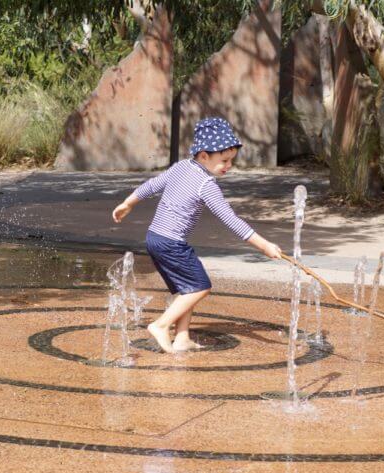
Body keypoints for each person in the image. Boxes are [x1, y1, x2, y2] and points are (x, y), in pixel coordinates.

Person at [111, 117, 282, 353]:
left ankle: (182, 338)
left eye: (231, 160)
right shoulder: (206, 184)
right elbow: (230, 219)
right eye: (224, 160)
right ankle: (161, 325)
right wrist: (264, 246)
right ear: (204, 156)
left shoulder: (181, 167)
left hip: (154, 238)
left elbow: (152, 185)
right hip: (171, 243)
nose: (228, 166)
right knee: (200, 287)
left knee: (187, 289)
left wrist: (127, 203)